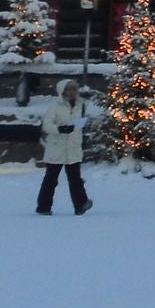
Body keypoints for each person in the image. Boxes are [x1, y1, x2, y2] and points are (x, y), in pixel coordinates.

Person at [35, 76, 94, 217]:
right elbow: (47, 124)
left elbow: (82, 122)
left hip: (73, 147)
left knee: (75, 179)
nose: (72, 92)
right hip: (57, 147)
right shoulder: (55, 106)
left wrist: (76, 128)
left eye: (74, 89)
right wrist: (60, 129)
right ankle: (43, 206)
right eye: (69, 90)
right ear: (62, 91)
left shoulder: (82, 105)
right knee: (51, 179)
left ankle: (81, 204)